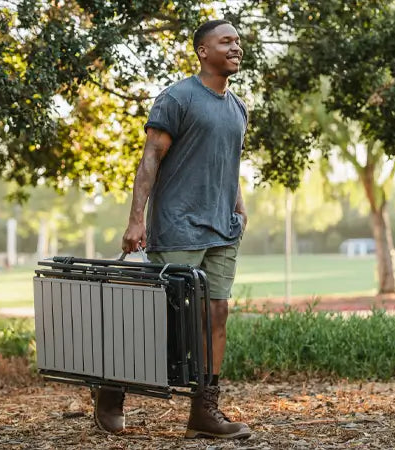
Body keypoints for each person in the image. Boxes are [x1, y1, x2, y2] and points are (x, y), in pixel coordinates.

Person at [110, 19, 252, 440]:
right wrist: (137, 219)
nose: (235, 47)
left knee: (216, 315)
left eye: (238, 41)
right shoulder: (177, 98)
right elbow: (151, 157)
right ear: (202, 51)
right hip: (178, 227)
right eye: (225, 41)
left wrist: (240, 210)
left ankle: (204, 412)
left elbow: (228, 163)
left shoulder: (239, 106)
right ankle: (113, 384)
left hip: (222, 230)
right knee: (167, 323)